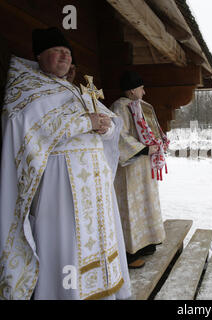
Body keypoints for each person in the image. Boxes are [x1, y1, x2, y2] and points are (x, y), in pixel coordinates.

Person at [0, 27, 131, 299]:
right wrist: (86, 122)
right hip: (59, 188)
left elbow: (109, 123)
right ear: (40, 56)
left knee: (100, 241)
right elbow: (25, 129)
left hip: (94, 189)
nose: (64, 56)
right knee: (67, 242)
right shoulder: (25, 90)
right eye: (57, 51)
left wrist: (106, 128)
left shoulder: (75, 90)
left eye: (68, 53)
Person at [111, 70, 168, 269]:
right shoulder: (119, 107)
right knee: (131, 207)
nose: (144, 92)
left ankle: (146, 243)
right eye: (141, 88)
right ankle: (130, 251)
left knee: (146, 204)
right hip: (130, 169)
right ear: (133, 90)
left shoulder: (142, 107)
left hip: (145, 167)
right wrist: (144, 148)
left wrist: (159, 141)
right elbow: (117, 136)